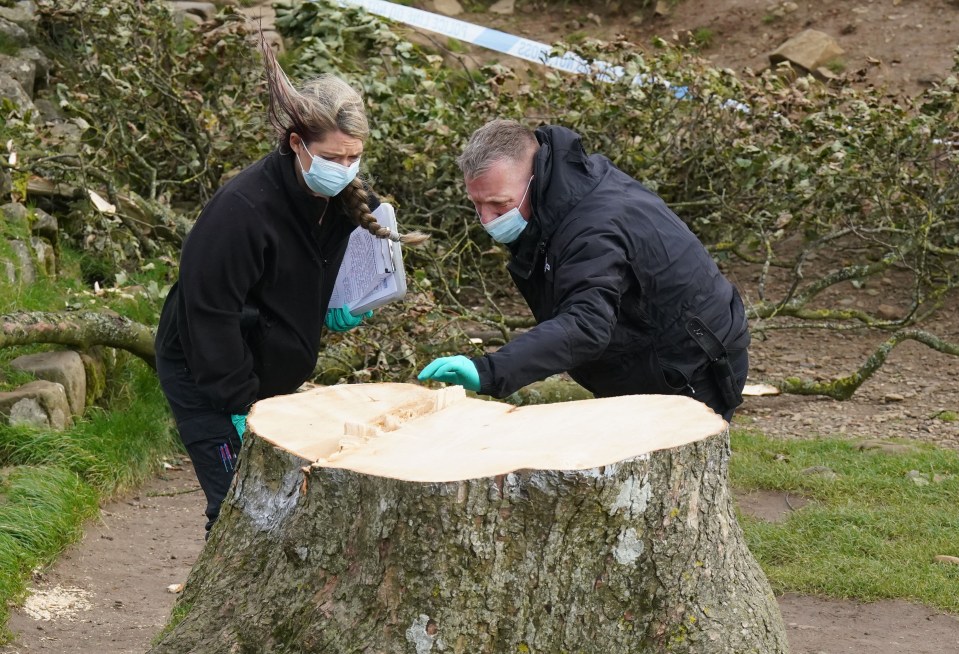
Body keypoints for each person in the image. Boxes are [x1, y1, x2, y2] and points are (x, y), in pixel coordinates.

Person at [154, 42, 426, 534]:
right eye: (332, 157)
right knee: (238, 507)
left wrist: (340, 301)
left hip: (270, 364)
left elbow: (328, 263)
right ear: (296, 143)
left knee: (286, 500)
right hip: (207, 369)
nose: (344, 170)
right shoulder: (241, 212)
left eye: (354, 158)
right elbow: (209, 315)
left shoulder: (338, 196)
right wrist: (237, 405)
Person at [418, 119, 749, 421]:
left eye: (500, 204)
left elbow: (587, 325)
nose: (487, 219)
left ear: (533, 178)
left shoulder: (593, 229)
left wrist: (491, 369)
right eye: (477, 204)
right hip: (641, 353)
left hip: (692, 367)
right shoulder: (564, 187)